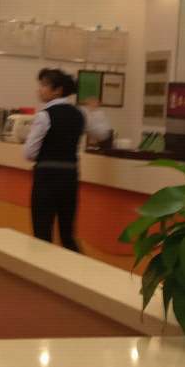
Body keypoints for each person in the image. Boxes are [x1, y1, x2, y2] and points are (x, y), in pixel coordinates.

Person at [23, 68, 112, 251]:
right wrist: (95, 111)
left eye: (44, 85)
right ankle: (74, 267)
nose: (40, 89)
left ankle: (41, 267)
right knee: (67, 234)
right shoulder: (81, 114)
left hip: (46, 178)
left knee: (42, 232)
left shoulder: (44, 115)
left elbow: (29, 153)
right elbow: (102, 134)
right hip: (70, 177)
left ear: (58, 90)